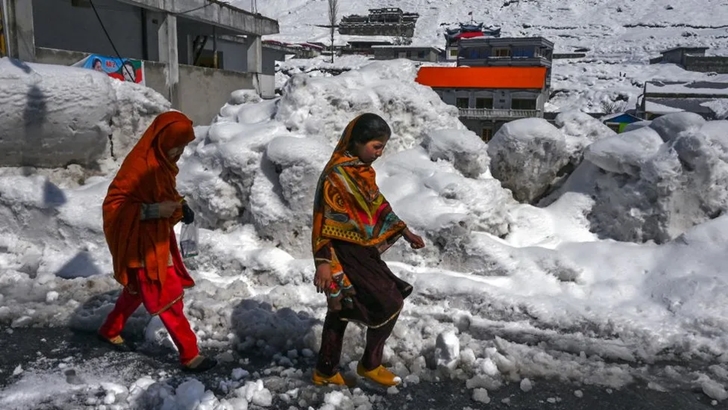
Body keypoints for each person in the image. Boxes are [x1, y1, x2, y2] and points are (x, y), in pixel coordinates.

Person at [311, 113, 425, 387]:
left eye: (382, 147)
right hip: (344, 254)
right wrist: (324, 262)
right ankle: (370, 365)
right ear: (357, 142)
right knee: (390, 301)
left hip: (363, 252)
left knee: (342, 310)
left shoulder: (361, 172)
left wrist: (403, 230)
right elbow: (323, 221)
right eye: (376, 146)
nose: (379, 152)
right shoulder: (335, 176)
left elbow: (377, 204)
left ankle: (325, 372)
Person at [97, 111, 217, 373]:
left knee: (137, 290)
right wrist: (153, 211)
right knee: (167, 294)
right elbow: (114, 206)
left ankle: (110, 328)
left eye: (184, 147)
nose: (179, 153)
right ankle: (190, 354)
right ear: (163, 141)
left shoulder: (161, 162)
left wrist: (180, 206)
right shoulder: (139, 167)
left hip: (156, 240)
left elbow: (165, 195)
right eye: (177, 146)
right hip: (142, 246)